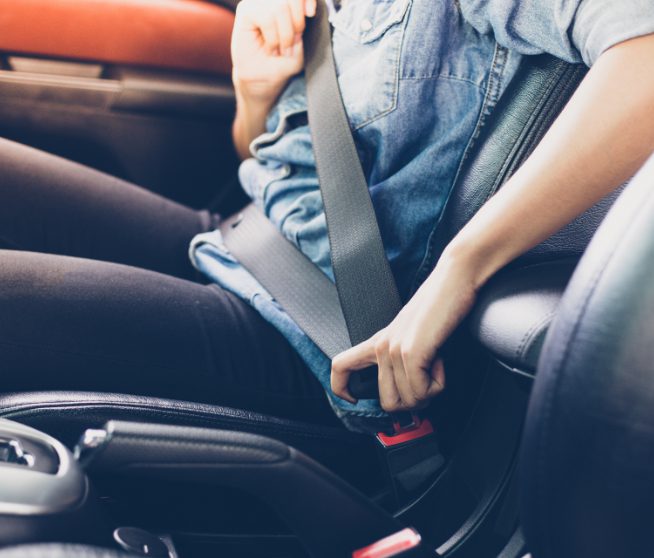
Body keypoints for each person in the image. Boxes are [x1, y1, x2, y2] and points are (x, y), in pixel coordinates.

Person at [0, 0, 652, 432]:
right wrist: (253, 83)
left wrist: (461, 271)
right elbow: (273, 156)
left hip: (318, 328)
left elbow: (645, 55)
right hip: (245, 241)